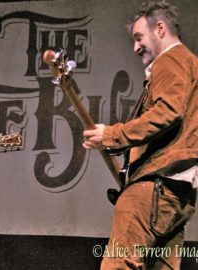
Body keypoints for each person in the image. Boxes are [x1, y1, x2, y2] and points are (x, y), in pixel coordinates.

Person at [83, 1, 197, 269]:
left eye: (138, 38)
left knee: (118, 264)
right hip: (179, 195)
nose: (135, 48)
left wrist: (112, 135)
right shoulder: (191, 64)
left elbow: (168, 111)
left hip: (153, 187)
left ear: (160, 28)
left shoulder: (171, 60)